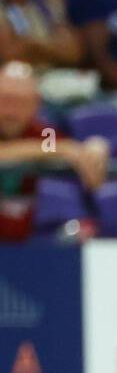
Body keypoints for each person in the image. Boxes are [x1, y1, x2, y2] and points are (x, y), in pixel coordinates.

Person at [0, 61, 108, 242]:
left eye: (21, 102)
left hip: (21, 245)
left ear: (36, 103)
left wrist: (95, 146)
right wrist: (64, 149)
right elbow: (60, 149)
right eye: (5, 100)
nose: (11, 111)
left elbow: (60, 148)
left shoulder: (44, 133)